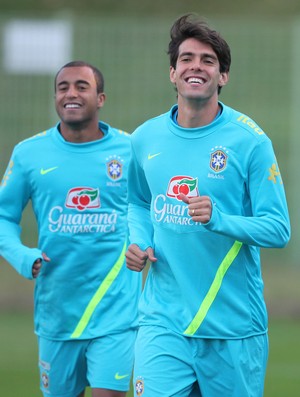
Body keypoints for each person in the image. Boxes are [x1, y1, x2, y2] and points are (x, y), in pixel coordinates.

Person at [125, 14, 290, 397]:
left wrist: (220, 219)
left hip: (232, 327)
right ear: (172, 72)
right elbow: (137, 201)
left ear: (223, 77)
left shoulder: (250, 142)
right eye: (186, 58)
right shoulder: (144, 138)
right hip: (163, 321)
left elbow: (278, 229)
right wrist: (137, 240)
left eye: (207, 60)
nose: (195, 66)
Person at [0, 61, 141, 397]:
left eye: (81, 86)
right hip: (57, 312)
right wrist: (23, 257)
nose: (71, 93)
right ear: (55, 98)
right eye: (63, 87)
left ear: (101, 98)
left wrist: (144, 244)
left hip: (116, 310)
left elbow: (146, 208)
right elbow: (4, 217)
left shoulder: (130, 151)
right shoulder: (30, 153)